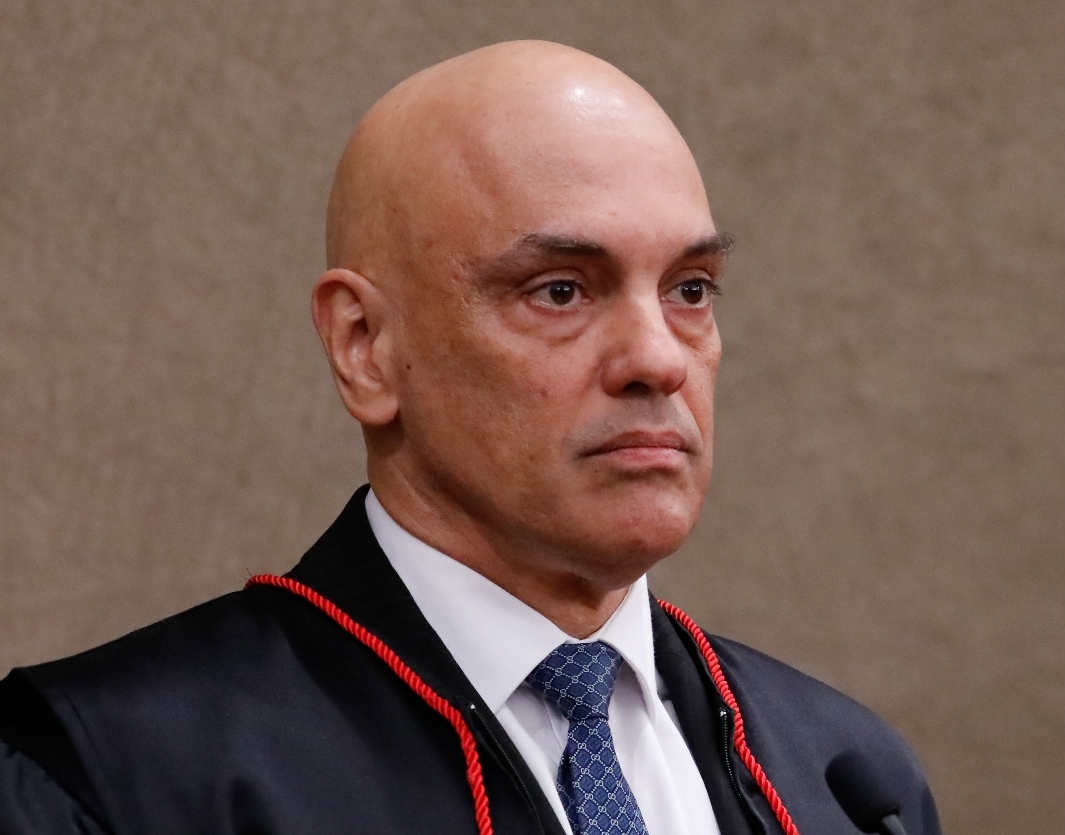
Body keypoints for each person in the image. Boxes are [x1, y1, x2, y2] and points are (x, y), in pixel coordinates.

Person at [0, 41, 940, 835]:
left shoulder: (846, 781)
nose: (658, 358)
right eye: (560, 290)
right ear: (365, 346)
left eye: (689, 289)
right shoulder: (113, 776)